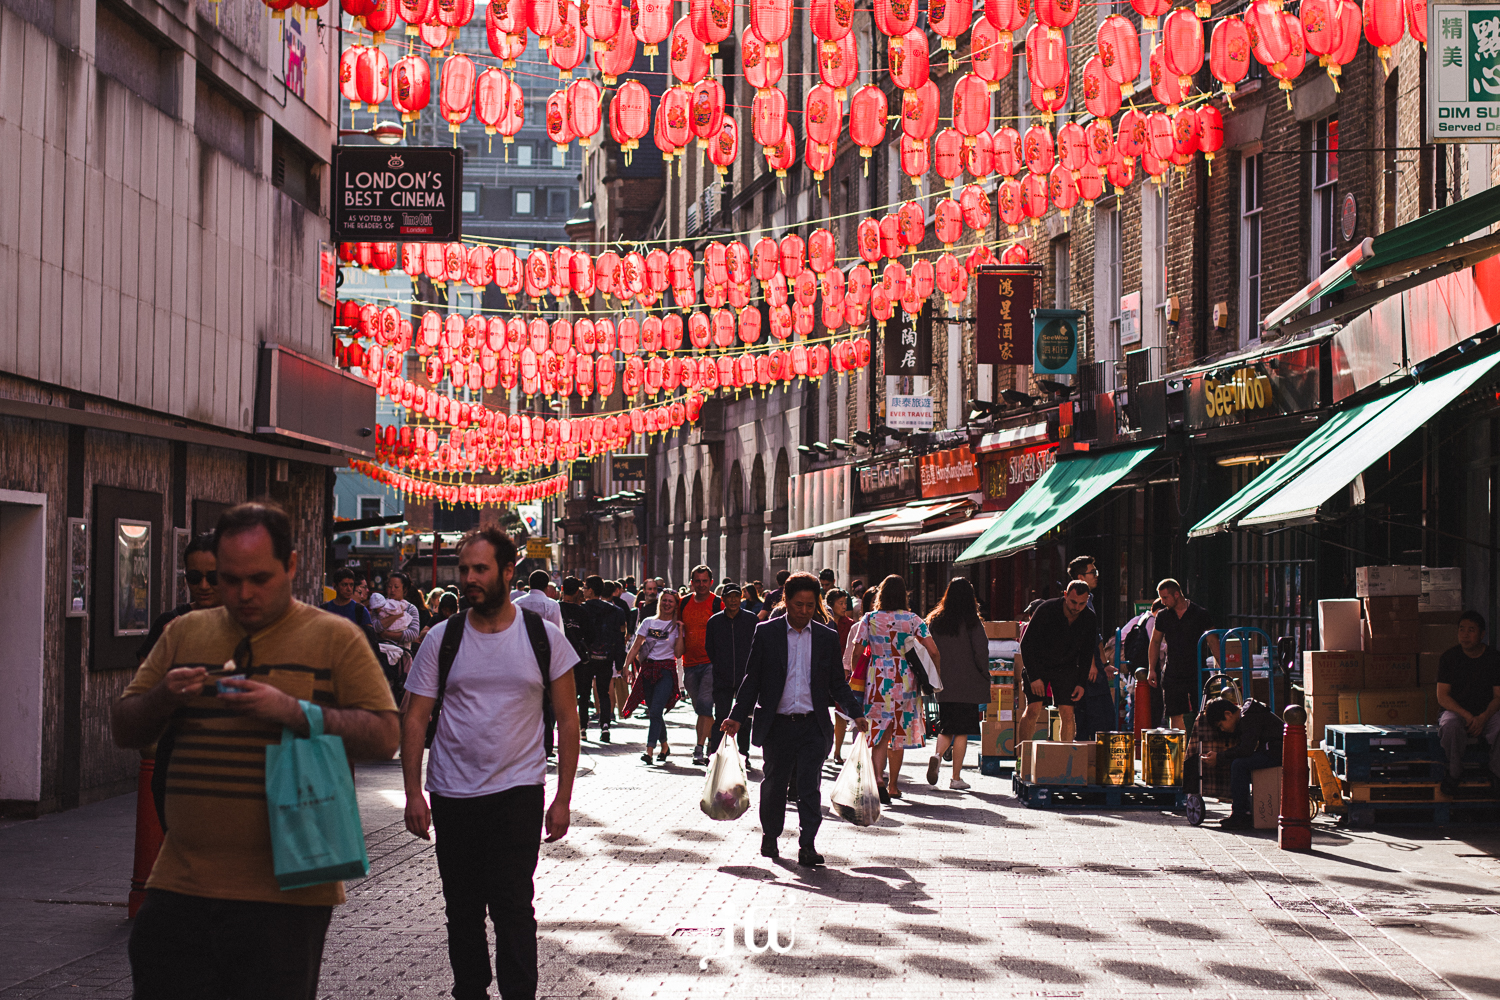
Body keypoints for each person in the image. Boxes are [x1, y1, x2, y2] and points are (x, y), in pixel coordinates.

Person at [111, 502, 399, 999]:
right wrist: (163, 698)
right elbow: (124, 726)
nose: (243, 594)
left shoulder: (336, 638)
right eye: (229, 579)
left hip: (288, 895)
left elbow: (385, 735)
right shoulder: (186, 633)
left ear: (290, 565)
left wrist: (295, 712)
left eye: (259, 578)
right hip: (181, 887)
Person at [401, 528, 580, 1000]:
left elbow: (567, 719)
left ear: (507, 572)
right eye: (464, 570)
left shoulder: (543, 637)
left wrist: (562, 799)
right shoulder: (444, 637)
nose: (469, 579)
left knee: (514, 908)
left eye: (479, 569)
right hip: (452, 794)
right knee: (461, 909)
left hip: (518, 792)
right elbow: (415, 717)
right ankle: (470, 993)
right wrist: (412, 793)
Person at [722, 573, 869, 867]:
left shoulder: (826, 638)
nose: (804, 611)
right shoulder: (766, 633)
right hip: (777, 725)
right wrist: (736, 717)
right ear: (786, 602)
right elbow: (752, 680)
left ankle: (807, 845)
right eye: (798, 604)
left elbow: (837, 684)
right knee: (774, 784)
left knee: (809, 786)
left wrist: (856, 712)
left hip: (813, 725)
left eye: (810, 605)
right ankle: (771, 835)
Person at [847, 575, 940, 802]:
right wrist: (934, 676)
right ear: (903, 594)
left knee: (879, 729)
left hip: (877, 677)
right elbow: (933, 650)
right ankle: (893, 787)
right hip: (905, 679)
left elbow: (857, 651)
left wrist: (853, 673)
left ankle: (878, 777)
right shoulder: (913, 620)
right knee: (898, 732)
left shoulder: (869, 619)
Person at [924, 577, 989, 790]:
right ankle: (956, 778)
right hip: (967, 682)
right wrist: (984, 673)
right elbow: (981, 651)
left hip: (943, 682)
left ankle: (937, 755)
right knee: (962, 731)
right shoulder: (972, 621)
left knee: (948, 725)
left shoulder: (936, 620)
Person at [1018, 581, 1098, 744]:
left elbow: (1086, 652)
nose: (1076, 607)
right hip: (1039, 664)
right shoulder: (1046, 609)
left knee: (1068, 713)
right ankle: (1022, 757)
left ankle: (1066, 757)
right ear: (1066, 595)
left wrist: (1081, 683)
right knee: (1033, 709)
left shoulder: (1089, 618)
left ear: (1088, 599)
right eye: (1073, 602)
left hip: (1066, 668)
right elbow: (1026, 644)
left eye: (1082, 603)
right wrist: (1034, 677)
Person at [1436, 610, 1500, 796]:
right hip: (1457, 712)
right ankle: (1454, 772)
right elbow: (1443, 697)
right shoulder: (1449, 658)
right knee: (1450, 726)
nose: (1465, 634)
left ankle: (1496, 773)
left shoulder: (1494, 658)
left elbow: (1498, 696)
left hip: (1487, 713)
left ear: (1482, 634)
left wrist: (1482, 718)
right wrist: (1468, 716)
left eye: (1471, 630)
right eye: (1462, 629)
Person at [1200, 697, 1283, 830]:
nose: (1222, 729)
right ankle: (1244, 811)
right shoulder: (1247, 715)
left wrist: (1220, 757)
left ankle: (1241, 815)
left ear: (1228, 714)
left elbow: (1246, 749)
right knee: (1238, 764)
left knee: (1239, 765)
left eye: (1221, 725)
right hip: (1273, 751)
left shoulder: (1249, 717)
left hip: (1276, 753)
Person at [139, 533, 223, 661]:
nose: (204, 586)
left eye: (213, 577)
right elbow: (144, 679)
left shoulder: (244, 622)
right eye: (195, 577)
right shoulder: (168, 623)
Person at [622, 589, 684, 764]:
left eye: (671, 601)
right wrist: (626, 666)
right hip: (647, 670)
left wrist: (680, 630)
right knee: (655, 711)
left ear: (675, 604)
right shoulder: (648, 622)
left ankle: (649, 751)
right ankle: (664, 746)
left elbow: (679, 653)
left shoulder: (677, 626)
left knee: (656, 710)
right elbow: (635, 647)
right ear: (659, 602)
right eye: (664, 600)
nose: (667, 604)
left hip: (666, 671)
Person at [1148, 579, 1218, 729]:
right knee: (1175, 713)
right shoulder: (1163, 615)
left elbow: (1213, 641)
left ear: (1177, 594)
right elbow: (1155, 642)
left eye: (1165, 597)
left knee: (1205, 711)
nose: (1163, 601)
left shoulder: (1200, 613)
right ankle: (1180, 749)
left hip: (1197, 669)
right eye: (1161, 598)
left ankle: (1202, 747)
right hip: (1173, 670)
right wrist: (1151, 669)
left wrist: (1222, 668)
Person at [1068, 556, 1118, 742]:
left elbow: (1095, 636)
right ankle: (1087, 757)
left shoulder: (1089, 600)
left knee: (1101, 713)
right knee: (1095, 715)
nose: (1097, 576)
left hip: (1095, 662)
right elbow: (1083, 637)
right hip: (1086, 665)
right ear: (1081, 576)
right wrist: (1092, 665)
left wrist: (1104, 663)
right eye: (1093, 572)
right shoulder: (1078, 603)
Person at [706, 585, 758, 761]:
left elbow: (757, 646)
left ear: (741, 597)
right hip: (723, 677)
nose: (734, 600)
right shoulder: (714, 621)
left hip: (746, 677)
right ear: (723, 599)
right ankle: (716, 754)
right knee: (720, 716)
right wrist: (721, 665)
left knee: (744, 717)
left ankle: (743, 755)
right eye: (730, 597)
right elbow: (710, 649)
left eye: (737, 596)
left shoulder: (751, 620)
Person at [680, 565, 725, 766]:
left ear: (711, 582)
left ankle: (701, 749)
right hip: (689, 663)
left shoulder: (717, 603)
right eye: (697, 581)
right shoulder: (683, 603)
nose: (701, 584)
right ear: (692, 583)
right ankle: (712, 740)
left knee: (706, 705)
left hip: (710, 663)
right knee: (700, 707)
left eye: (704, 581)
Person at [580, 576, 628, 744]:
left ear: (591, 590)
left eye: (585, 587)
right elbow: (620, 637)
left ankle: (583, 728)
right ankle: (605, 726)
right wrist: (620, 661)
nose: (583, 590)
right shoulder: (616, 611)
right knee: (604, 693)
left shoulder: (582, 609)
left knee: (584, 693)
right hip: (606, 657)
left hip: (586, 658)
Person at [826, 589, 858, 764]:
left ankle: (837, 752)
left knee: (840, 712)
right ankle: (825, 746)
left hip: (842, 672)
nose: (844, 606)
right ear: (831, 605)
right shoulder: (823, 622)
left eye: (845, 603)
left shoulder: (851, 625)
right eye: (841, 603)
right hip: (823, 670)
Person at [320, 567, 374, 631]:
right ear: (335, 586)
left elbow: (369, 638)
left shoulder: (360, 611)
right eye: (344, 585)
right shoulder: (324, 609)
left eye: (351, 585)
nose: (349, 589)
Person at [380, 573, 422, 651]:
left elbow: (413, 634)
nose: (392, 590)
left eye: (396, 587)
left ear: (404, 589)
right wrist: (396, 616)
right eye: (389, 586)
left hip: (403, 653)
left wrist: (386, 634)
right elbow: (375, 627)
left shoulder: (411, 609)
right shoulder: (380, 606)